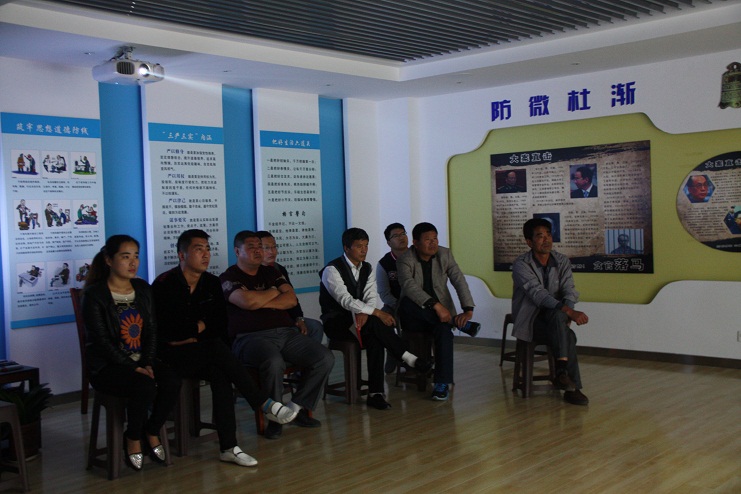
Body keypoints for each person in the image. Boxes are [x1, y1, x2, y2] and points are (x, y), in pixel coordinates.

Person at [152, 229, 297, 467]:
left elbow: (219, 325)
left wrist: (193, 331)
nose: (206, 255)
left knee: (221, 372)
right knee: (215, 349)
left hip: (201, 352)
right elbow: (166, 332)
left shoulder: (211, 283)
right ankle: (262, 402)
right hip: (169, 356)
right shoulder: (164, 284)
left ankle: (229, 447)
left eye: (208, 249)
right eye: (199, 249)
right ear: (182, 255)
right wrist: (198, 328)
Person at [220, 230, 334, 439]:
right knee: (273, 362)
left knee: (324, 357)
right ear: (237, 251)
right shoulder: (228, 277)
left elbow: (290, 299)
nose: (258, 251)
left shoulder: (271, 272)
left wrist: (258, 300)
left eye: (259, 247)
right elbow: (246, 302)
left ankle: (295, 408)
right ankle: (274, 416)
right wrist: (273, 292)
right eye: (251, 247)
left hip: (285, 333)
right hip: (250, 338)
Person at [81, 235, 181, 471]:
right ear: (109, 260)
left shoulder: (143, 289)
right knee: (145, 386)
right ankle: (133, 436)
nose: (133, 262)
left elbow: (152, 330)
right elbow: (102, 342)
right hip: (108, 367)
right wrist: (133, 366)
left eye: (136, 256)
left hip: (141, 361)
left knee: (172, 381)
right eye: (125, 257)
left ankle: (152, 430)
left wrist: (147, 362)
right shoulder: (95, 295)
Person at [320, 228, 431, 410]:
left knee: (375, 335)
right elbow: (345, 300)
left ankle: (376, 393)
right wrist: (376, 313)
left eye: (366, 245)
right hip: (337, 322)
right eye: (359, 246)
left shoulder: (367, 267)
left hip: (363, 321)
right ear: (346, 248)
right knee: (376, 323)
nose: (364, 250)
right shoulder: (331, 270)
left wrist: (367, 312)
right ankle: (406, 358)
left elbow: (371, 296)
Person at [396, 222, 479, 401]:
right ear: (415, 243)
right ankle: (454, 322)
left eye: (435, 238)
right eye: (428, 240)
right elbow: (409, 287)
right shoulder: (405, 259)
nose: (433, 243)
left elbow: (459, 280)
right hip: (414, 315)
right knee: (408, 303)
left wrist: (468, 309)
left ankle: (441, 384)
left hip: (439, 317)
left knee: (444, 332)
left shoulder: (444, 254)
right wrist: (436, 305)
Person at [512, 218, 590, 406]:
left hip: (556, 319)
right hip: (532, 321)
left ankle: (562, 374)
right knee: (568, 335)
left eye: (548, 234)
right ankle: (572, 387)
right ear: (529, 242)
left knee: (558, 319)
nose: (546, 239)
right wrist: (568, 312)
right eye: (540, 236)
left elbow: (569, 290)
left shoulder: (561, 260)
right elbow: (538, 294)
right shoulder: (521, 264)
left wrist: (566, 311)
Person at [256, 231, 324, 344]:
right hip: (266, 321)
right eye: (266, 248)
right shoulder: (251, 271)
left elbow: (292, 298)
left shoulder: (279, 269)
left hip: (286, 316)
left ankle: (309, 355)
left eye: (274, 247)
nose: (272, 251)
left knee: (315, 326)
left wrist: (299, 318)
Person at [376, 222, 408, 373]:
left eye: (403, 234)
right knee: (381, 320)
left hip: (418, 303)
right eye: (396, 236)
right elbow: (384, 293)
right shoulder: (384, 264)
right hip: (394, 304)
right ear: (389, 242)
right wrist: (399, 305)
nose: (401, 238)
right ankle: (392, 352)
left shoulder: (417, 256)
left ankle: (411, 360)